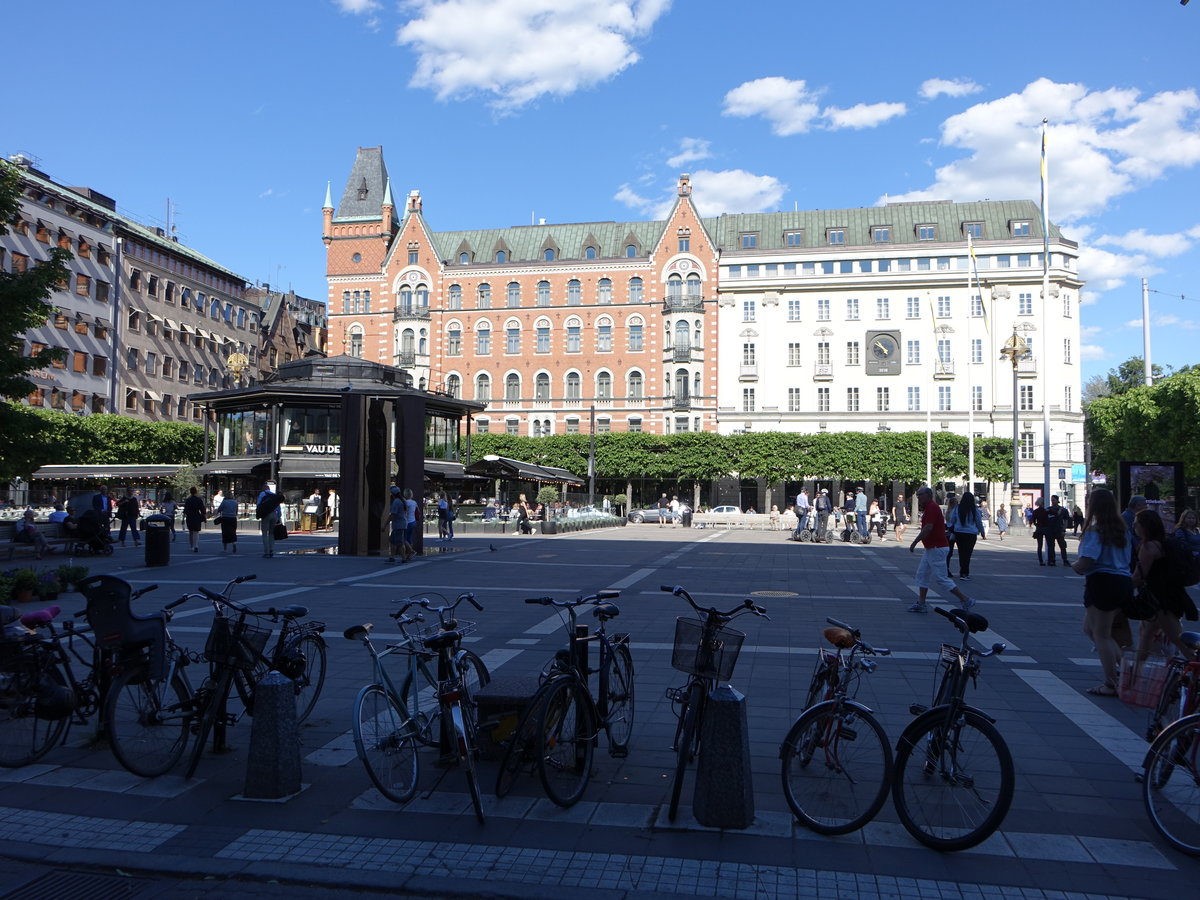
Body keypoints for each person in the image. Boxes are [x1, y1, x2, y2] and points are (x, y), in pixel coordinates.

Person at [1071, 488, 1132, 696]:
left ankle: (1112, 682)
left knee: (1102, 634)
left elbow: (1088, 559)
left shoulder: (1095, 531)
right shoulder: (1122, 529)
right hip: (1121, 581)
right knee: (1090, 628)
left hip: (1102, 582)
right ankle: (1125, 668)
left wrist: (1075, 565)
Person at [1131, 508, 1199, 666]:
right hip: (1168, 596)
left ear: (1144, 527)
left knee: (1179, 640)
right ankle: (1135, 674)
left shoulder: (1148, 547)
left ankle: (1195, 667)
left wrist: (1121, 590)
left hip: (1160, 600)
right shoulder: (1165, 542)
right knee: (1146, 633)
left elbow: (1139, 576)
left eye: (1136, 525)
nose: (1134, 528)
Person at [907, 486, 976, 613]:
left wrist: (914, 542)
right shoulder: (929, 508)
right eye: (917, 496)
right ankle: (921, 603)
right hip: (932, 548)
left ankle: (965, 599)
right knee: (922, 574)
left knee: (941, 578)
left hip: (936, 547)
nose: (918, 498)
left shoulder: (932, 507)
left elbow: (928, 527)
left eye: (920, 495)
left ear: (928, 495)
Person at [948, 491, 985, 580]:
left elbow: (952, 519)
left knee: (961, 552)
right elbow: (978, 522)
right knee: (968, 553)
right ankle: (965, 573)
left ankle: (962, 572)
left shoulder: (957, 508)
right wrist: (982, 532)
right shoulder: (975, 509)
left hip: (959, 532)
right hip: (971, 533)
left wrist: (953, 526)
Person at [255, 481, 283, 559]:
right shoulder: (274, 495)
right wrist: (278, 517)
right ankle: (271, 549)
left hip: (266, 515)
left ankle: (266, 551)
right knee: (271, 533)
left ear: (263, 489)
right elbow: (278, 507)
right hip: (274, 514)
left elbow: (258, 505)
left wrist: (258, 514)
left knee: (264, 533)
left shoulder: (262, 494)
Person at [1047, 494, 1071, 566]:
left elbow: (1066, 520)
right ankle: (1052, 560)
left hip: (1059, 530)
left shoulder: (1063, 510)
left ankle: (1065, 560)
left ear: (1057, 500)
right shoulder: (1049, 509)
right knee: (1051, 546)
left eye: (1053, 500)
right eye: (1051, 500)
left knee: (1062, 546)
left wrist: (1063, 530)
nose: (1052, 501)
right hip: (1050, 530)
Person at [386, 486, 408, 563]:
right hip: (402, 523)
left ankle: (403, 558)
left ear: (392, 494)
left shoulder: (396, 502)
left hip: (398, 524)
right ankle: (392, 556)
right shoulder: (403, 501)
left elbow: (392, 515)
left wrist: (385, 524)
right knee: (392, 540)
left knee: (399, 542)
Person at [183, 487, 206, 553]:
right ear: (196, 492)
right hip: (196, 516)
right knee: (196, 531)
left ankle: (192, 546)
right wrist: (203, 516)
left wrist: (183, 518)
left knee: (191, 532)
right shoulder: (199, 500)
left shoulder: (188, 500)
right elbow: (202, 509)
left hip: (189, 516)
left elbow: (185, 510)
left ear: (190, 492)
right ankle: (196, 545)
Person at [1031, 496, 1052, 566]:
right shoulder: (1046, 511)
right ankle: (1050, 561)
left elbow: (1033, 520)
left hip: (1039, 529)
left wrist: (1037, 525)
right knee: (1049, 545)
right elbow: (1055, 514)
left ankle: (1041, 561)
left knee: (1039, 546)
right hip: (1046, 528)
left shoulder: (1035, 511)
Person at [944, 494, 959, 576]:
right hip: (953, 531)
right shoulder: (955, 511)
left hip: (949, 532)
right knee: (950, 552)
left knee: (949, 552)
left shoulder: (948, 511)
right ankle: (947, 569)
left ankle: (947, 568)